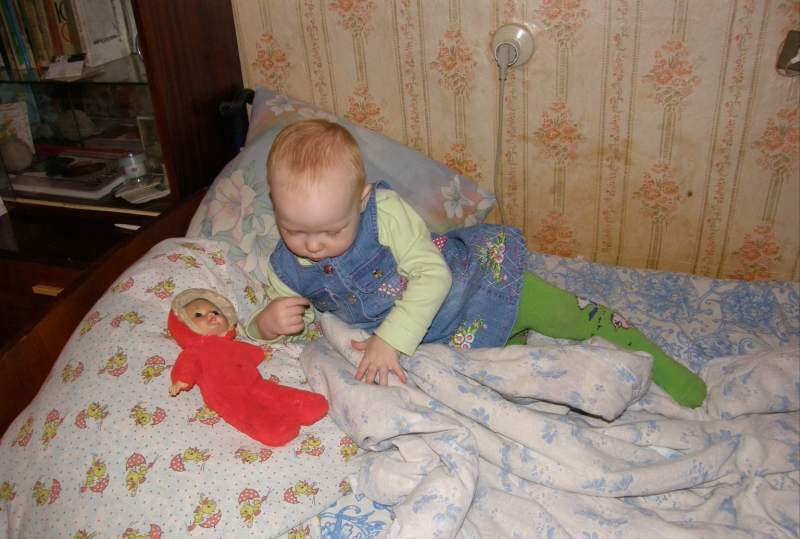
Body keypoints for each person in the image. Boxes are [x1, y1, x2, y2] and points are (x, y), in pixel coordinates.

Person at [247, 119, 707, 408]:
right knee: (525, 377)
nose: (313, 246)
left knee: (573, 317)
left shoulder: (384, 214)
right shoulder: (286, 267)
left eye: (332, 231)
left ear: (362, 200)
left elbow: (434, 276)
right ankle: (519, 340)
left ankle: (673, 374)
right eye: (294, 230)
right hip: (453, 341)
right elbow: (291, 324)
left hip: (480, 284)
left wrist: (388, 340)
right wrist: (264, 324)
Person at [168, 288, 328, 446]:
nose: (211, 315)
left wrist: (261, 354)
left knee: (273, 393)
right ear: (184, 326)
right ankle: (273, 428)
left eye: (215, 312)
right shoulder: (195, 352)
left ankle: (304, 406)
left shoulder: (232, 345)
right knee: (248, 412)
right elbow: (187, 364)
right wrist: (181, 381)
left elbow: (246, 351)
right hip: (226, 395)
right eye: (198, 315)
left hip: (254, 382)